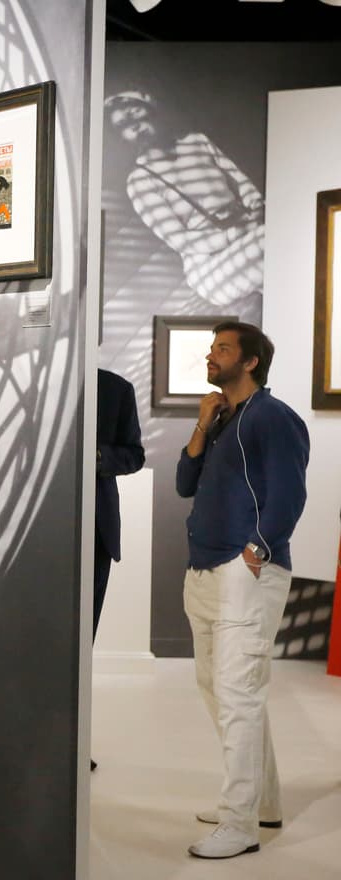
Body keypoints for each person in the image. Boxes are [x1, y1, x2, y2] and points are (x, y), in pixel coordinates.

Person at [176, 321, 308, 859]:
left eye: (222, 349)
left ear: (249, 361)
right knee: (224, 691)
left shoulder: (273, 417)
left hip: (243, 572)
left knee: (238, 696)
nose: (212, 356)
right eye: (211, 348)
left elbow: (290, 492)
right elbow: (186, 483)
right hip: (206, 570)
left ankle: (240, 823)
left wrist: (259, 550)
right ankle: (263, 802)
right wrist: (203, 425)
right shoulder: (225, 418)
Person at [105, 90, 264, 310]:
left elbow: (240, 182)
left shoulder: (197, 142)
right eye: (123, 124)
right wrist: (236, 234)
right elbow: (181, 240)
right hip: (209, 265)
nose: (134, 125)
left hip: (248, 231)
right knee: (268, 242)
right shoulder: (140, 180)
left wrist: (257, 206)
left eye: (136, 111)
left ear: (152, 111)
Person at [90, 368, 144, 772]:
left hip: (94, 534)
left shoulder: (114, 388)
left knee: (79, 648)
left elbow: (134, 455)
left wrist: (95, 456)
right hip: (34, 532)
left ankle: (70, 745)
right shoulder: (34, 379)